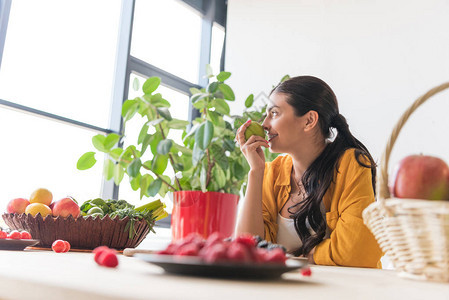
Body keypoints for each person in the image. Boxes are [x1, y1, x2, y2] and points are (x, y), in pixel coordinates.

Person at [235, 75, 382, 268]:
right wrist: (255, 172)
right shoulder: (272, 173)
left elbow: (356, 251)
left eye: (275, 113)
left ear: (309, 120)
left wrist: (310, 254)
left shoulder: (351, 164)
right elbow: (247, 249)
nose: (264, 124)